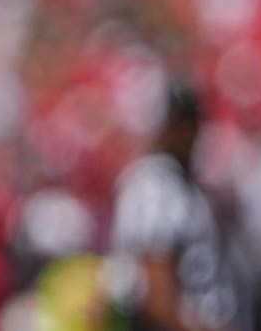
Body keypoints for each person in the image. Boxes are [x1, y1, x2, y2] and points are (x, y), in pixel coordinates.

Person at [105, 84, 250, 331]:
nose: (195, 133)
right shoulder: (156, 187)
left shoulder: (177, 184)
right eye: (188, 123)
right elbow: (158, 293)